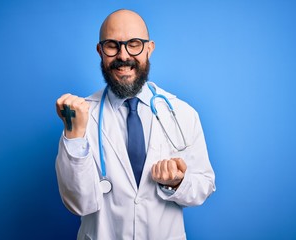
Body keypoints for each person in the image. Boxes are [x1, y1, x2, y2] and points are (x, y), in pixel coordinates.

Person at [55, 9, 215, 240]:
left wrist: (177, 182)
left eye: (134, 44)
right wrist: (74, 135)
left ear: (149, 48)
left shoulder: (182, 113)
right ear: (100, 51)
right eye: (112, 45)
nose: (124, 55)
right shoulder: (80, 116)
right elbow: (78, 204)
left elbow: (204, 186)